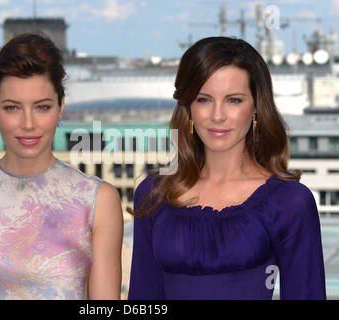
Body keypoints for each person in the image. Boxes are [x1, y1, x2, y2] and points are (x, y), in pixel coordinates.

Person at [128, 37, 326, 300]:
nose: (217, 115)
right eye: (204, 99)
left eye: (233, 100)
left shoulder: (290, 202)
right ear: (188, 107)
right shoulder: (153, 194)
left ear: (256, 106)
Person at [0, 33, 123, 300]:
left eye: (42, 107)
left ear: (61, 106)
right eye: (12, 108)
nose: (28, 123)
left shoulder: (97, 201)